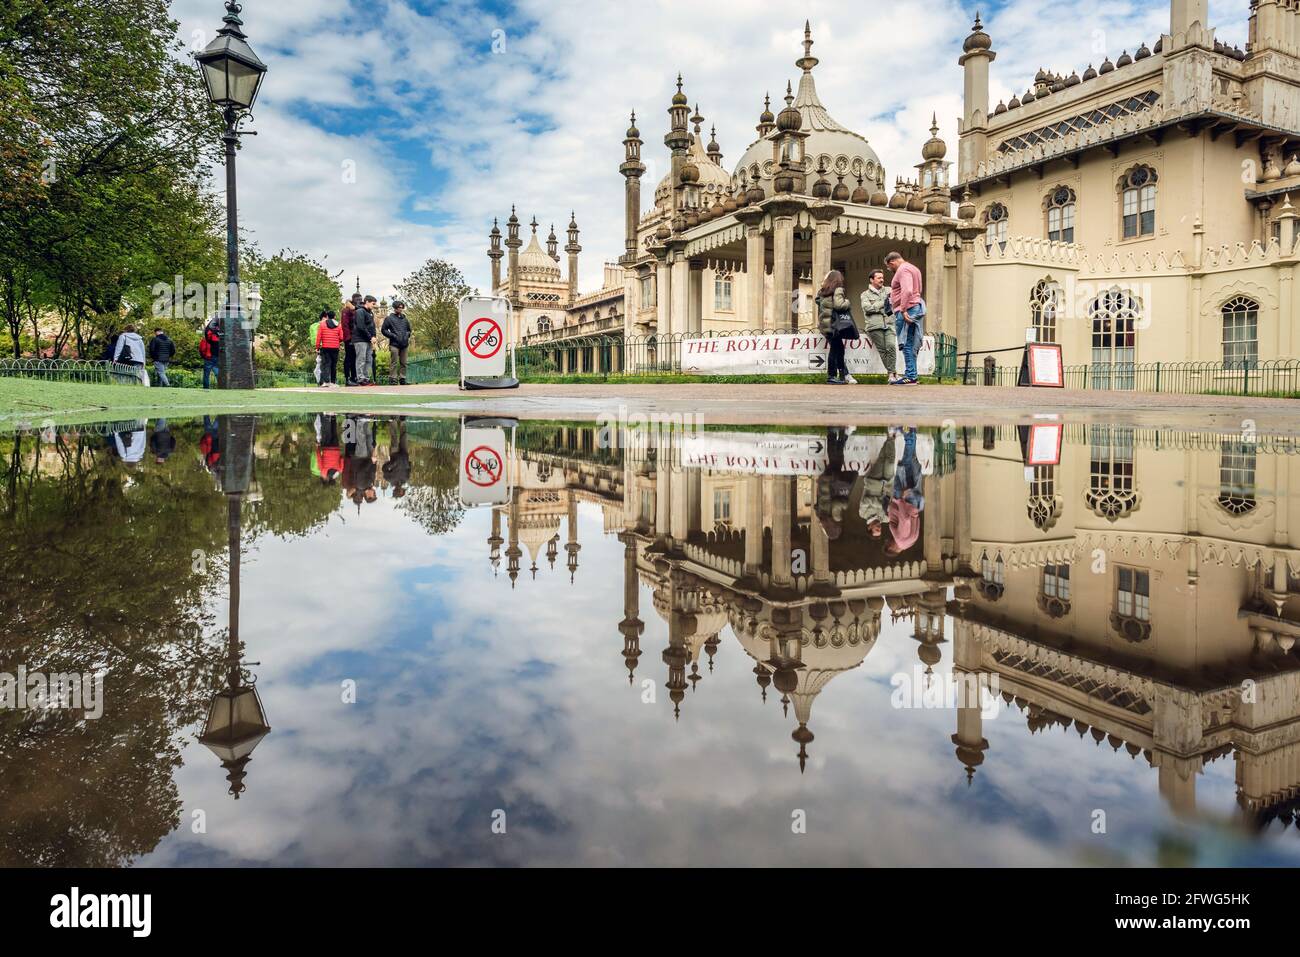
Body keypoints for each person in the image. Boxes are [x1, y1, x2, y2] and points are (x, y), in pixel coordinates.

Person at [886, 251, 924, 385]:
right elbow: (917, 289)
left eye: (888, 267)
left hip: (906, 309)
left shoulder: (902, 270)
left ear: (892, 262)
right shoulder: (914, 268)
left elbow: (907, 290)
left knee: (906, 343)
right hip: (915, 306)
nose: (889, 270)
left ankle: (910, 376)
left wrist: (902, 309)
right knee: (912, 343)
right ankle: (912, 375)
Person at [885, 427, 925, 557]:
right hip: (906, 500)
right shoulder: (900, 540)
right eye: (887, 543)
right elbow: (905, 519)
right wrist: (900, 499)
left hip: (916, 504)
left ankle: (910, 434)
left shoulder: (909, 543)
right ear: (890, 548)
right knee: (904, 465)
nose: (887, 540)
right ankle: (909, 433)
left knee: (911, 464)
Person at [815, 270, 855, 385]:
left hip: (825, 325)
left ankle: (842, 376)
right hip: (834, 325)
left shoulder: (823, 291)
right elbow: (839, 305)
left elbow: (818, 302)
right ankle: (831, 376)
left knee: (839, 350)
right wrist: (847, 302)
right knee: (835, 351)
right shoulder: (838, 289)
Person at [860, 269, 899, 384]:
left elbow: (896, 302)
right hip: (874, 326)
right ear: (872, 280)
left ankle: (892, 373)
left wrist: (877, 306)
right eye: (879, 278)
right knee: (883, 350)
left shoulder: (889, 290)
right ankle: (892, 374)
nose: (882, 280)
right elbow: (867, 309)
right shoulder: (865, 294)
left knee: (891, 346)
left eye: (882, 277)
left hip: (890, 323)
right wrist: (883, 302)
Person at [858, 432, 896, 539]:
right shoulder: (886, 519)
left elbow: (866, 500)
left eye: (876, 529)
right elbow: (891, 506)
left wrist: (881, 505)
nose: (879, 528)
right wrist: (882, 504)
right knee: (890, 463)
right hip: (888, 485)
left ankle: (889, 438)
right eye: (880, 530)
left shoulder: (863, 513)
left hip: (873, 481)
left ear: (870, 528)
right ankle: (891, 437)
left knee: (882, 459)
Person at [381, 300, 412, 385]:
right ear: (395, 308)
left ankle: (403, 379)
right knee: (394, 362)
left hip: (404, 344)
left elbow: (409, 330)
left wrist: (407, 335)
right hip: (394, 344)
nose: (401, 309)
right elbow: (383, 330)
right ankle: (393, 379)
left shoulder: (405, 319)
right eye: (399, 308)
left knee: (404, 363)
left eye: (402, 308)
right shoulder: (389, 319)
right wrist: (393, 336)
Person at [351, 295, 378, 386]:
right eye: (373, 303)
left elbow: (372, 326)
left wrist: (374, 336)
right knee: (361, 359)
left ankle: (366, 378)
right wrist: (370, 337)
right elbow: (361, 326)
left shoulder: (371, 313)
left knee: (368, 360)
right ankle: (360, 378)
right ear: (367, 302)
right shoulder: (360, 311)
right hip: (360, 339)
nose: (374, 305)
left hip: (369, 340)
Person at [382, 417, 410, 497]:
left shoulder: (389, 479)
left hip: (394, 455)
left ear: (397, 491)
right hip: (404, 455)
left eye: (402, 492)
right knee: (404, 437)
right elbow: (409, 469)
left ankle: (393, 421)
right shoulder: (405, 479)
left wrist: (393, 463)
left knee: (394, 438)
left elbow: (384, 469)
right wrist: (407, 463)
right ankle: (402, 422)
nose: (402, 490)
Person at [315, 309, 342, 387]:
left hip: (325, 347)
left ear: (327, 316)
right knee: (333, 365)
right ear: (334, 316)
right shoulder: (338, 325)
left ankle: (326, 382)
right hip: (335, 347)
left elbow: (318, 337)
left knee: (326, 364)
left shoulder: (322, 325)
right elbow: (341, 337)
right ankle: (333, 382)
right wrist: (337, 341)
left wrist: (317, 347)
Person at [341, 294, 360, 386]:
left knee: (355, 359)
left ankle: (354, 377)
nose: (359, 301)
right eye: (357, 299)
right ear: (353, 300)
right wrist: (349, 338)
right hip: (349, 338)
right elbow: (345, 325)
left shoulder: (357, 310)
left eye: (360, 299)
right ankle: (347, 379)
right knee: (348, 358)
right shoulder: (346, 310)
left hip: (357, 338)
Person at [200, 317, 221, 389]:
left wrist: (203, 356)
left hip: (208, 356)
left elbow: (202, 349)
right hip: (216, 355)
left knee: (206, 374)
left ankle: (206, 387)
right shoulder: (219, 335)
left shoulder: (208, 336)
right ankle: (221, 385)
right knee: (217, 371)